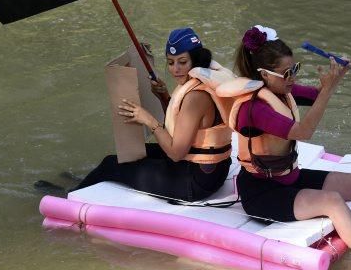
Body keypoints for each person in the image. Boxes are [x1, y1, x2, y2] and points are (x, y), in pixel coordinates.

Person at [231, 24, 351, 264]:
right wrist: (328, 90)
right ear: (264, 74)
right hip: (262, 194)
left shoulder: (281, 90)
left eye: (295, 69)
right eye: (287, 73)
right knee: (332, 201)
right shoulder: (254, 108)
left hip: (290, 177)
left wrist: (335, 78)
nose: (293, 77)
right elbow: (304, 132)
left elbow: (317, 95)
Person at [72, 27, 233, 202]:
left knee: (111, 164)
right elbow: (185, 127)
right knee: (129, 155)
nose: (176, 69)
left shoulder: (195, 97)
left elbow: (175, 153)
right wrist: (164, 97)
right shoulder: (207, 80)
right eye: (171, 63)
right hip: (213, 172)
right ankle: (85, 183)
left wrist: (147, 119)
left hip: (194, 182)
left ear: (196, 59)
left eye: (182, 62)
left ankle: (67, 198)